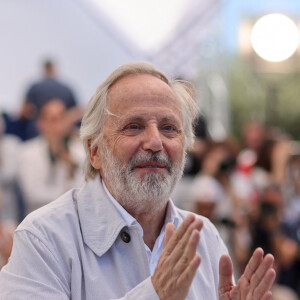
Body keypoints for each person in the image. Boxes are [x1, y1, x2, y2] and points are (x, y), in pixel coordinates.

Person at [0, 62, 275, 299]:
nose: (156, 142)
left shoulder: (204, 236)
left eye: (169, 128)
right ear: (94, 151)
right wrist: (153, 296)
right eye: (134, 126)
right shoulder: (43, 239)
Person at [17, 98, 85, 215]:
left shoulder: (80, 151)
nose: (57, 125)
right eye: (52, 119)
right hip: (37, 222)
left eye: (61, 118)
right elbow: (33, 195)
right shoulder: (27, 152)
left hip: (73, 221)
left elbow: (83, 193)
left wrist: (71, 168)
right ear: (41, 123)